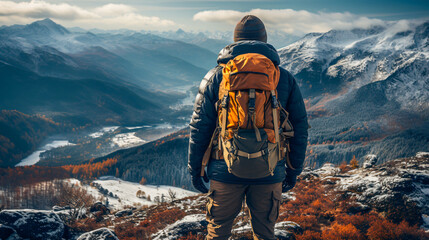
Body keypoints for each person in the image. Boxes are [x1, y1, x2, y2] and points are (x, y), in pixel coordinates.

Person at [188, 15, 308, 240]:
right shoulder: (284, 78)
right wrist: (293, 170)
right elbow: (300, 128)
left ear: (234, 41)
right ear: (265, 40)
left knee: (217, 233)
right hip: (270, 170)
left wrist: (196, 170)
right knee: (264, 233)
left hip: (224, 170)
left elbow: (199, 126)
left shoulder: (216, 76)